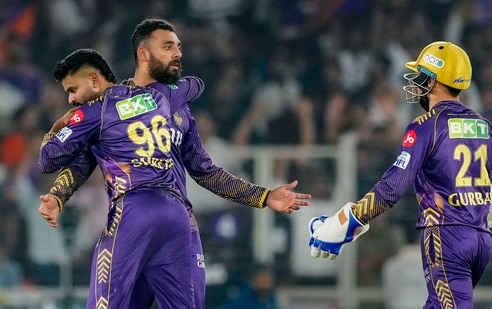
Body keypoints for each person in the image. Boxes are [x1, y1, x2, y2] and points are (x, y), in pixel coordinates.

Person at [38, 19, 311, 308]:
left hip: (150, 216)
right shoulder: (160, 106)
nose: (178, 53)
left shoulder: (121, 107)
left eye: (178, 47)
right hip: (169, 219)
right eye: (168, 47)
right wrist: (57, 195)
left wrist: (264, 196)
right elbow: (206, 172)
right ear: (143, 54)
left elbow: (206, 172)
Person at [308, 41, 492, 308]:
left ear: (435, 81)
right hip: (480, 240)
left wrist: (348, 222)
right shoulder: (485, 126)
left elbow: (392, 187)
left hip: (445, 237)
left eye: (422, 75)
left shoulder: (426, 126)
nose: (415, 82)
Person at [37, 49, 196, 308]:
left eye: (73, 89)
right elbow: (193, 86)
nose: (71, 100)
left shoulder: (92, 112)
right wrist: (58, 195)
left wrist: (57, 128)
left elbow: (48, 159)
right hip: (177, 213)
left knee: (105, 299)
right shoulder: (152, 98)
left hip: (134, 208)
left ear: (94, 80)